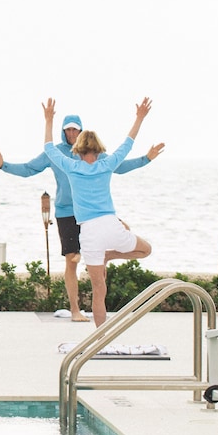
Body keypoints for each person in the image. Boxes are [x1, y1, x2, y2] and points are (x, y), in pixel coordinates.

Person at [0, 114, 164, 322]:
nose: (71, 133)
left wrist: (146, 158)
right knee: (75, 262)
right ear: (64, 132)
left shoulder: (74, 164)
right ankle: (75, 310)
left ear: (80, 134)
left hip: (90, 223)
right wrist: (4, 165)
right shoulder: (98, 162)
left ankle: (101, 264)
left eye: (75, 129)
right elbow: (29, 168)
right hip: (70, 213)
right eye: (68, 129)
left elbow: (120, 164)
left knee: (100, 276)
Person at [42, 97, 154, 327]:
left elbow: (49, 148)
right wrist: (140, 118)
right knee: (146, 250)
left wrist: (49, 119)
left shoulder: (71, 166)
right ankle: (110, 256)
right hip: (111, 225)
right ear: (98, 148)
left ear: (78, 149)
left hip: (89, 233)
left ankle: (100, 338)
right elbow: (128, 143)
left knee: (98, 290)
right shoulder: (107, 164)